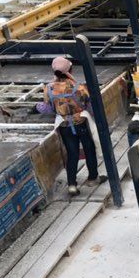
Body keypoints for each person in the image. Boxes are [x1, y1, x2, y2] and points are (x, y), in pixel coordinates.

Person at [44, 57, 106, 196]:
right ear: (70, 70)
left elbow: (48, 108)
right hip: (80, 123)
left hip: (64, 126)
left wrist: (37, 107)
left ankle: (72, 185)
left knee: (72, 154)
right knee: (89, 149)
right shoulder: (79, 87)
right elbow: (89, 104)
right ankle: (93, 178)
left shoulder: (48, 88)